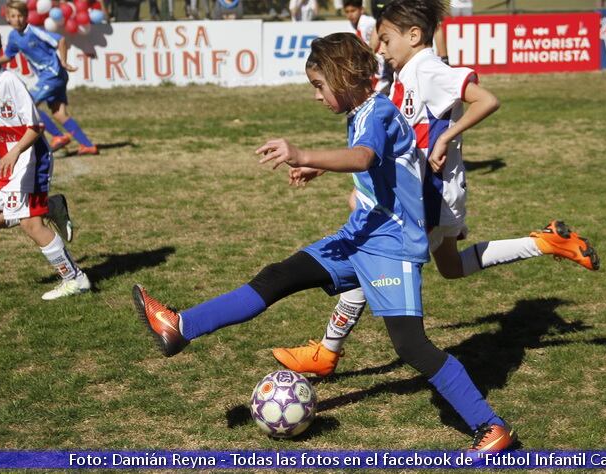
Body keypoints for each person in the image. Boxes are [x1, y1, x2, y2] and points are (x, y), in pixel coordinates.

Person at [132, 32, 514, 453]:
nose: (316, 96)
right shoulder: (363, 111)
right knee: (279, 276)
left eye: (319, 85)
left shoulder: (377, 111)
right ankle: (181, 326)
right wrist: (321, 170)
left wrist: (304, 155)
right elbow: (376, 165)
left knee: (411, 346)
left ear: (345, 76)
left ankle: (490, 426)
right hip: (360, 236)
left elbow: (365, 157)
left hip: (390, 246)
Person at [273, 0, 599, 377]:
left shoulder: (428, 70)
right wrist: (320, 169)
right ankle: (544, 242)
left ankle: (327, 350)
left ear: (414, 36)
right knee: (451, 266)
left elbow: (486, 100)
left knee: (372, 257)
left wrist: (447, 139)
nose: (380, 49)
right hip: (432, 192)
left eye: (386, 39)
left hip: (430, 194)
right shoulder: (406, 77)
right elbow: (385, 148)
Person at [0, 16, 90, 300]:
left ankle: (75, 278)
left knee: (31, 224)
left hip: (31, 157)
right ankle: (48, 206)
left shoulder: (9, 82)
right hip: (6, 161)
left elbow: (36, 127)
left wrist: (15, 151)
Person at [0, 0, 98, 155]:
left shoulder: (34, 31)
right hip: (53, 76)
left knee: (28, 105)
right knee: (59, 113)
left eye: (20, 15)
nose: (17, 19)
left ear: (26, 17)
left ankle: (58, 136)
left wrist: (64, 61)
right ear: (8, 18)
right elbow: (7, 56)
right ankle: (87, 145)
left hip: (53, 74)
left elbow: (61, 40)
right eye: (13, 16)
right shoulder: (13, 36)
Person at [343, 0, 391, 93]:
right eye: (347, 12)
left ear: (361, 10)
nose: (350, 15)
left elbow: (375, 42)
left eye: (353, 11)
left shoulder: (367, 23)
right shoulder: (352, 24)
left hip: (380, 57)